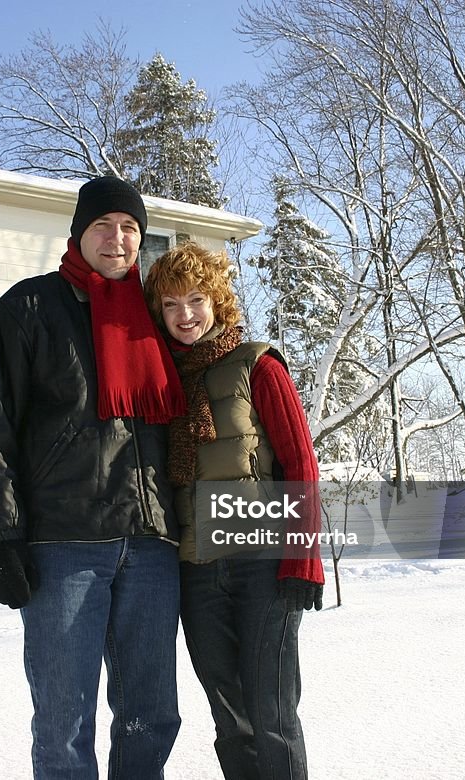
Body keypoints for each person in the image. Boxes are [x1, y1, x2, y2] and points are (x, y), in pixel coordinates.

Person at [0, 176, 187, 780]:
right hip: (63, 546)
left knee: (152, 714)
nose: (117, 240)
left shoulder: (156, 317)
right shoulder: (27, 309)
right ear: (78, 233)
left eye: (130, 228)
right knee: (64, 722)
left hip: (150, 545)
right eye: (103, 226)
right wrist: (2, 537)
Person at [144, 242, 324, 780]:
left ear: (218, 301)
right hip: (197, 573)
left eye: (196, 299)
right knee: (231, 720)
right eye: (171, 305)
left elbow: (300, 465)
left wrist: (302, 559)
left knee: (272, 716)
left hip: (263, 569)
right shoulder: (162, 383)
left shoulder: (258, 366)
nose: (185, 316)